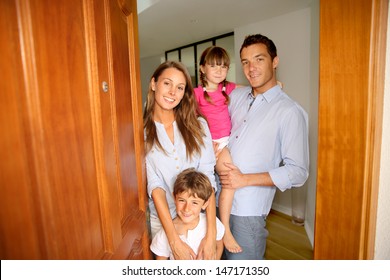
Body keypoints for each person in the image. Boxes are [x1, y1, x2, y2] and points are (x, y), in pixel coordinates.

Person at [218, 34, 309, 260]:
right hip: (215, 200)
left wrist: (245, 179)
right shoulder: (237, 96)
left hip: (246, 211)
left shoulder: (289, 112)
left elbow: (298, 172)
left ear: (274, 61)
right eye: (246, 62)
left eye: (259, 59)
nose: (251, 68)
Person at [143, 61, 218, 260]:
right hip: (164, 221)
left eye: (180, 87)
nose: (172, 92)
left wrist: (211, 234)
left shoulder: (198, 126)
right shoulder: (141, 133)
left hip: (199, 218)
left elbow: (208, 178)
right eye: (167, 83)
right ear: (153, 84)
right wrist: (174, 240)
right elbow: (155, 186)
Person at [194, 46, 242, 254]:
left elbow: (249, 89)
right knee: (211, 187)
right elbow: (186, 118)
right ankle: (214, 232)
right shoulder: (196, 93)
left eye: (224, 66)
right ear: (202, 68)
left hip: (226, 143)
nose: (219, 70)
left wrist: (274, 85)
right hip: (209, 145)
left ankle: (225, 230)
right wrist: (202, 144)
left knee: (229, 182)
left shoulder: (227, 88)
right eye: (213, 65)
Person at [150, 168, 225, 260]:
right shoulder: (165, 233)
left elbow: (219, 246)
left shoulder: (213, 224)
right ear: (174, 197)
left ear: (205, 203)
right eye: (182, 200)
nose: (187, 208)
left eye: (194, 203)